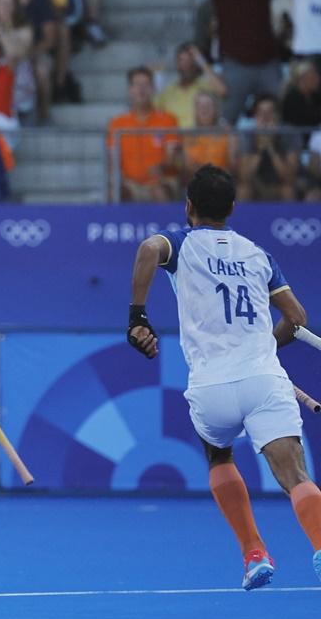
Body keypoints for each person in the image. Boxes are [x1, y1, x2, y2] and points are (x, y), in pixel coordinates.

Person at [127, 165, 321, 590]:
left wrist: (137, 317)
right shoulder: (258, 255)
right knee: (296, 477)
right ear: (232, 207)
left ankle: (253, 553)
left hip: (211, 388)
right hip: (263, 380)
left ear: (188, 207)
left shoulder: (179, 244)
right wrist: (264, 348)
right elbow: (296, 319)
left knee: (219, 456)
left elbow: (146, 250)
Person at [107, 67, 180, 202]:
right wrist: (119, 180)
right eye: (137, 84)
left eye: (146, 84)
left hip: (161, 181)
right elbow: (113, 160)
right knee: (114, 192)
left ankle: (171, 223)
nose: (141, 89)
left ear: (153, 88)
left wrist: (162, 167)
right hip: (130, 184)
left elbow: (172, 157)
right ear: (130, 90)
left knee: (159, 191)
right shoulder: (117, 123)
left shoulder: (168, 119)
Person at [156, 43, 228, 129]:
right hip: (174, 140)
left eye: (191, 61)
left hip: (199, 140)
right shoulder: (168, 91)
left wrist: (201, 60)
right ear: (177, 64)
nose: (187, 66)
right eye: (182, 61)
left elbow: (223, 91)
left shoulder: (205, 86)